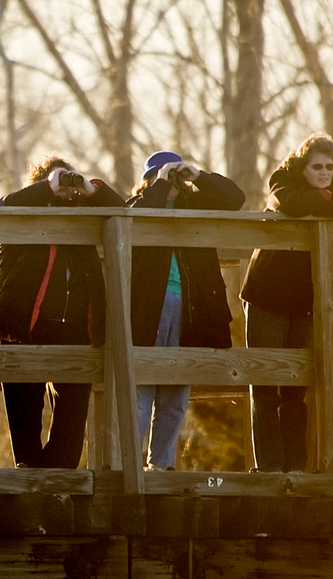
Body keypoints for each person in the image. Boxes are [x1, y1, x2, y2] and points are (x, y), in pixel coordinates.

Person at [0, 156, 125, 469]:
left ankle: (58, 480)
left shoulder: (83, 217)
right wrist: (48, 188)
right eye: (57, 185)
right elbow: (5, 207)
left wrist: (91, 191)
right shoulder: (21, 214)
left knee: (73, 417)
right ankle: (30, 480)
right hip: (23, 326)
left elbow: (122, 210)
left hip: (77, 327)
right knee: (24, 413)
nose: (64, 192)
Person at [240, 134, 333, 473]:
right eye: (317, 167)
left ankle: (295, 467)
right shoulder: (282, 179)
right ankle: (268, 468)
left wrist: (328, 191)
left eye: (329, 167)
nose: (324, 172)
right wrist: (327, 196)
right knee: (265, 386)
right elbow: (289, 203)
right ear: (302, 167)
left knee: (297, 388)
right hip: (267, 293)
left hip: (306, 300)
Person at [129, 151, 245, 471]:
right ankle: (130, 463)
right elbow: (136, 218)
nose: (170, 182)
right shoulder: (138, 207)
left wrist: (197, 176)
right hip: (149, 307)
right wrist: (160, 185)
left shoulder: (196, 205)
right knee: (141, 389)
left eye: (173, 175)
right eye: (160, 176)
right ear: (148, 181)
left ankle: (162, 466)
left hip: (191, 308)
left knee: (177, 392)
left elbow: (235, 198)